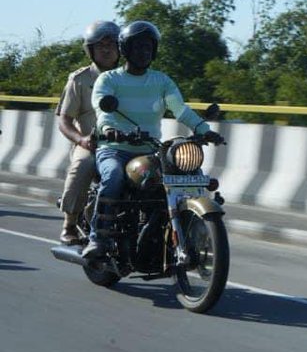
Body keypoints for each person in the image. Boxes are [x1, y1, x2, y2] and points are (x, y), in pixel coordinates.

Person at [81, 20, 221, 260]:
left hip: (150, 151)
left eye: (148, 47)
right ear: (125, 50)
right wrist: (110, 130)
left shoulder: (161, 81)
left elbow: (181, 110)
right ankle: (97, 238)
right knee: (113, 176)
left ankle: (193, 232)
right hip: (114, 149)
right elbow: (103, 111)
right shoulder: (110, 80)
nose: (143, 52)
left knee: (189, 175)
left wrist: (204, 129)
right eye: (137, 47)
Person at [55, 20, 121, 244]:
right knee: (82, 165)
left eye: (111, 44)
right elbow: (64, 119)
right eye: (100, 45)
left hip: (126, 144)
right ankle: (70, 223)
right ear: (90, 49)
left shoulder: (131, 78)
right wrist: (81, 140)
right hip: (92, 145)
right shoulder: (80, 79)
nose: (106, 49)